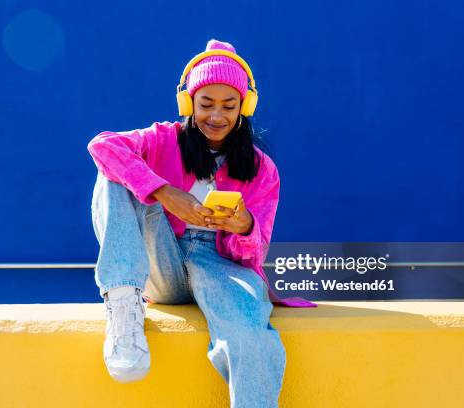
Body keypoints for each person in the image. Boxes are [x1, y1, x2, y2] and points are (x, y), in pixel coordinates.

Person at [88, 39, 317, 407]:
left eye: (229, 105)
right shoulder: (163, 139)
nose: (217, 115)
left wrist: (244, 226)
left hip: (220, 266)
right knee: (115, 172)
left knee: (249, 335)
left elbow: (255, 253)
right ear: (188, 103)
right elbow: (103, 146)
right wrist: (164, 193)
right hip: (160, 262)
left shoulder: (261, 169)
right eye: (206, 103)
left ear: (244, 107)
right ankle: (123, 308)